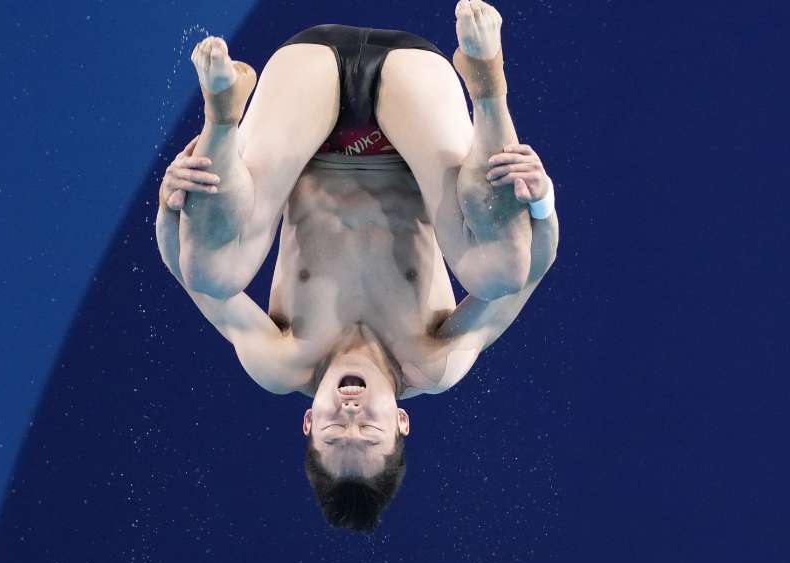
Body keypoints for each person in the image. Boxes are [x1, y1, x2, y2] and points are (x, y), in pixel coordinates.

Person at [155, 1, 560, 531]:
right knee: (501, 271)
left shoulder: (282, 360)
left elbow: (190, 277)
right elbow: (531, 271)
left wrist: (170, 204)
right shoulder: (435, 361)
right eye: (369, 434)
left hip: (304, 97)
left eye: (333, 432)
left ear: (308, 421)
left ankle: (222, 120)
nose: (350, 414)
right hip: (414, 101)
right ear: (401, 422)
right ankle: (488, 84)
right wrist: (542, 199)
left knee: (212, 272)